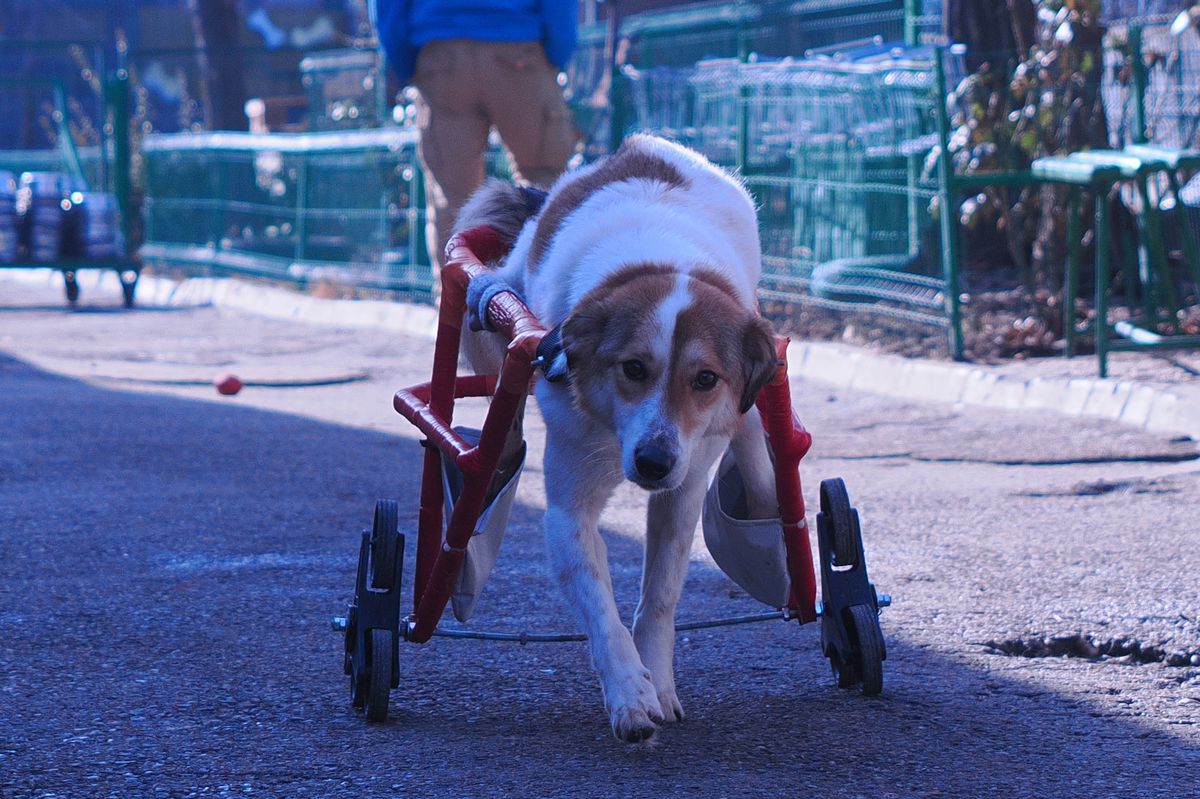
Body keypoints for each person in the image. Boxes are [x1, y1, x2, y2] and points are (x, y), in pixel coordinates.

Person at [373, 0, 580, 285]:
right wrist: (557, 52)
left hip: (441, 56)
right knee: (545, 184)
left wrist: (405, 63)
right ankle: (542, 306)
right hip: (518, 52)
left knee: (453, 201)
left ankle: (456, 317)